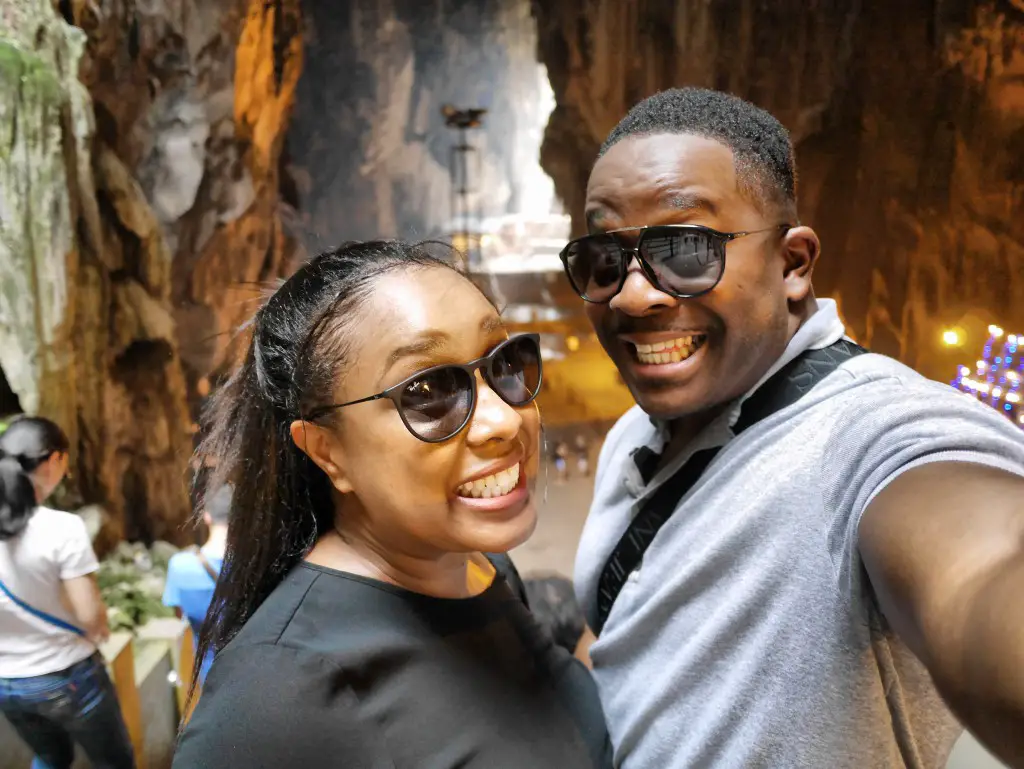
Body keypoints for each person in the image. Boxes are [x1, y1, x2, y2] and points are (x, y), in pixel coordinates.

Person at [562, 87, 1024, 768]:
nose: (633, 295)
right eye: (605, 261)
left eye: (688, 250)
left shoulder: (869, 433)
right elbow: (620, 626)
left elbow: (982, 564)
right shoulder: (636, 431)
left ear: (793, 264)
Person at [173, 241, 611, 769]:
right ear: (327, 451)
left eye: (504, 362)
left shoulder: (477, 567)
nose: (506, 421)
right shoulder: (279, 697)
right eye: (426, 391)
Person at [0, 416, 135, 769]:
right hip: (67, 678)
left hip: (7, 684)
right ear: (55, 459)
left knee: (50, 756)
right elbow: (90, 617)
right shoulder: (62, 528)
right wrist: (100, 627)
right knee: (114, 762)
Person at [162, 484, 232, 684]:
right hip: (253, 667)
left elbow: (178, 613)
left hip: (208, 672)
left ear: (207, 516)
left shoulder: (180, 565)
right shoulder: (256, 567)